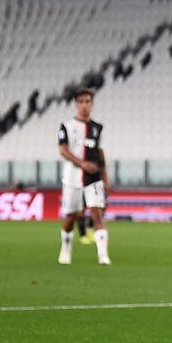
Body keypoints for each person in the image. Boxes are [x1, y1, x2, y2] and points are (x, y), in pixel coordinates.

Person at [57, 88, 111, 265]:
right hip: (72, 178)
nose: (84, 105)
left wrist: (105, 176)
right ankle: (65, 250)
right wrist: (82, 163)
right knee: (71, 216)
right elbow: (63, 150)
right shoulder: (66, 126)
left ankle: (103, 256)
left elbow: (100, 153)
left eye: (87, 101)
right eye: (81, 102)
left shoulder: (97, 128)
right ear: (76, 104)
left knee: (96, 213)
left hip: (93, 177)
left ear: (92, 104)